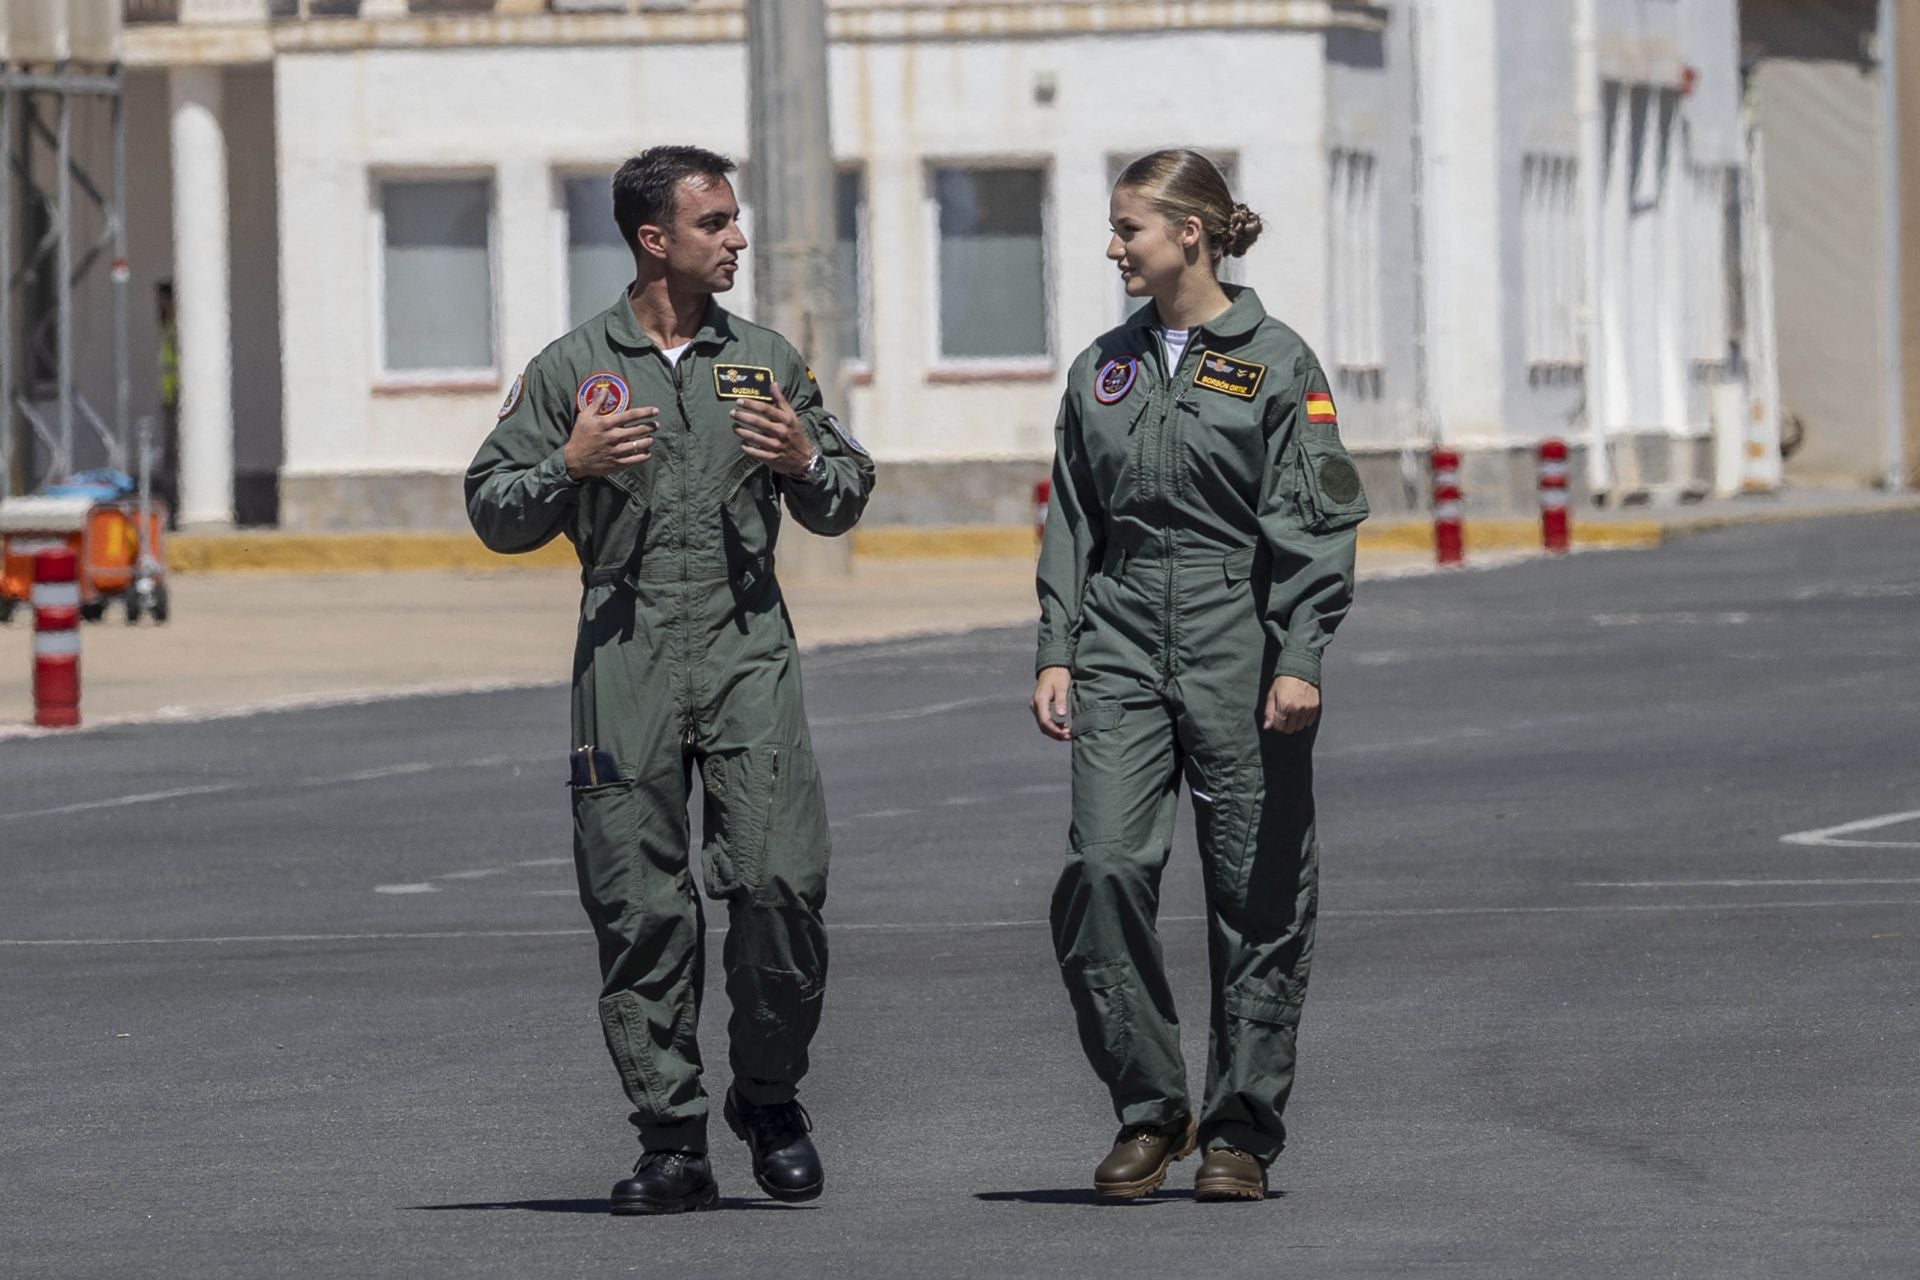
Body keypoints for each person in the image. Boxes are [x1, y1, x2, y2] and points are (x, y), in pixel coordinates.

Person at [467, 145, 875, 1216]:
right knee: (641, 907)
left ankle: (770, 1094)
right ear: (656, 239)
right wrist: (570, 464)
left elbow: (843, 494)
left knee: (781, 882)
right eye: (717, 223)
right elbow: (492, 507)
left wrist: (801, 457)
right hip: (627, 652)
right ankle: (673, 1137)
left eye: (734, 221)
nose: (738, 238)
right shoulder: (572, 368)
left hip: (747, 650)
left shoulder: (770, 359)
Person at [1030, 149, 1367, 1202]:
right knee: (1103, 870)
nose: (1114, 246)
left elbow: (1313, 521)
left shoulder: (1276, 362)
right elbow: (1074, 515)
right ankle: (1150, 1106)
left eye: (1130, 227)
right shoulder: (1102, 368)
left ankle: (1239, 1128)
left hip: (1238, 641)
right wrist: (1056, 643)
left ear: (1192, 231)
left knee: (1256, 893)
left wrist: (1300, 653)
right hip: (1123, 636)